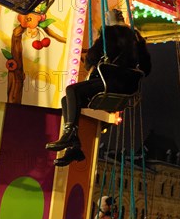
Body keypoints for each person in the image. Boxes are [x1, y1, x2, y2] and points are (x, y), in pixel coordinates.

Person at [46, 9, 151, 166]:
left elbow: (91, 59)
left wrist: (92, 58)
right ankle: (74, 147)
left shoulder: (109, 33)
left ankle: (70, 133)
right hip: (129, 88)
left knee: (71, 91)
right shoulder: (137, 38)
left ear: (109, 20)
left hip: (110, 83)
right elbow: (147, 68)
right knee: (67, 99)